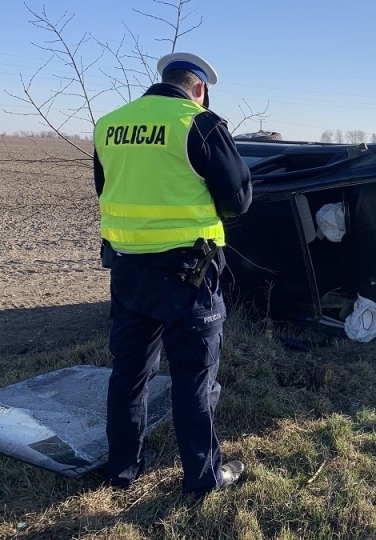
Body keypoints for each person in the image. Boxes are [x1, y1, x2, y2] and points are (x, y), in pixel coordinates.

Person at [92, 51, 252, 500]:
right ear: (199, 88)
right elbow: (238, 199)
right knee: (194, 378)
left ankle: (123, 469)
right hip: (190, 275)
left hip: (128, 271)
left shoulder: (110, 125)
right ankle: (203, 479)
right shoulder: (200, 123)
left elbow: (106, 190)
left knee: (129, 373)